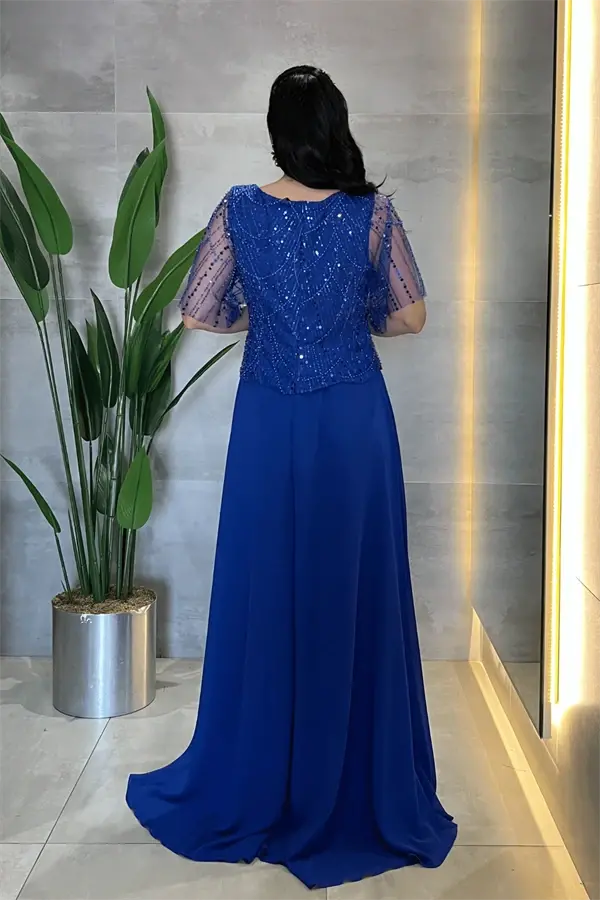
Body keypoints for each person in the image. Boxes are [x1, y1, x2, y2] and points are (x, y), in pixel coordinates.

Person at [126, 65, 457, 889]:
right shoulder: (372, 214)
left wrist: (264, 317)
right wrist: (354, 316)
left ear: (277, 131)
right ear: (335, 126)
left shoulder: (239, 208)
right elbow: (411, 314)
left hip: (270, 419)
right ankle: (359, 786)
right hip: (352, 419)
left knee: (267, 585)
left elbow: (198, 310)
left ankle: (258, 773)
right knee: (353, 586)